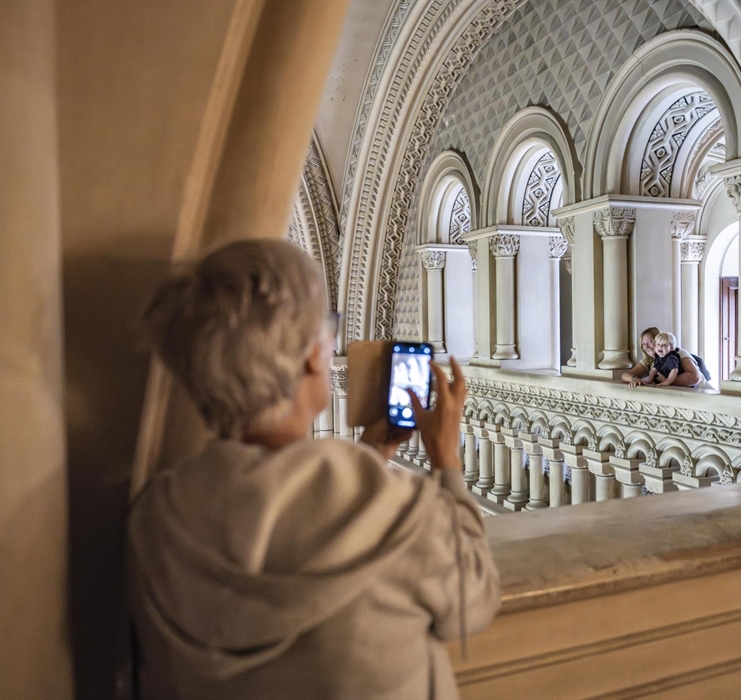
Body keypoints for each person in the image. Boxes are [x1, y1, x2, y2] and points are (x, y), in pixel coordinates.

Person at [128, 239, 500, 700]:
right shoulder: (400, 512)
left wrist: (365, 457)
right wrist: (445, 461)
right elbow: (473, 603)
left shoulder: (154, 518)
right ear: (312, 354)